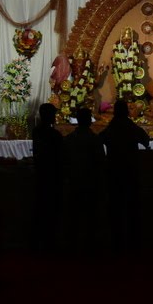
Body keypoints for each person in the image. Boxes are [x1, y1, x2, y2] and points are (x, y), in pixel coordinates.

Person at [99, 99, 150, 255]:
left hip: (114, 171)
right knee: (132, 207)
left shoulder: (112, 127)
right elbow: (146, 140)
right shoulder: (130, 126)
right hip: (130, 171)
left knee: (115, 208)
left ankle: (116, 241)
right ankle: (133, 241)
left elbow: (99, 140)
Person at [61, 107, 105, 255]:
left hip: (74, 180)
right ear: (89, 120)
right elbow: (100, 161)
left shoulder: (70, 139)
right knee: (89, 216)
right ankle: (89, 245)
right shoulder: (94, 139)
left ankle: (72, 244)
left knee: (73, 215)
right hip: (90, 181)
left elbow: (64, 160)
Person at [31, 103, 63, 253]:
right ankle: (50, 242)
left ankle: (39, 242)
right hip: (52, 176)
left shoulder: (36, 131)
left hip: (41, 174)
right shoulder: (53, 135)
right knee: (51, 210)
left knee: (41, 209)